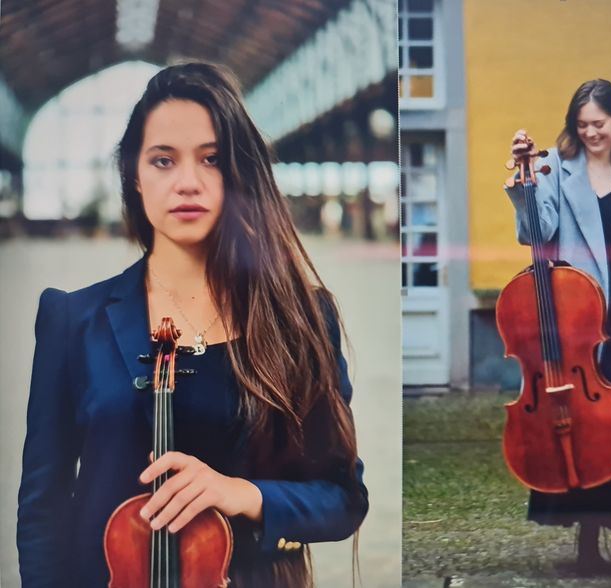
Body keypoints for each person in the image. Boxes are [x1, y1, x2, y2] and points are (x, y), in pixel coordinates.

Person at [17, 62, 368, 587]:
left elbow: (343, 499)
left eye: (212, 160)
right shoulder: (73, 321)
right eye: (163, 160)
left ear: (239, 173)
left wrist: (242, 494)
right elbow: (42, 512)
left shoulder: (301, 319)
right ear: (134, 175)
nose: (188, 182)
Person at [505, 79, 611, 584]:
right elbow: (536, 233)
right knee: (579, 434)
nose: (592, 132)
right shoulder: (554, 167)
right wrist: (525, 186)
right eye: (583, 125)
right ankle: (589, 547)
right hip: (575, 329)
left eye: (600, 123)